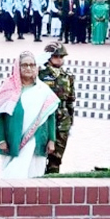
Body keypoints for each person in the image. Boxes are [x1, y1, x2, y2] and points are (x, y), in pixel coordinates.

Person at [0, 51, 59, 179]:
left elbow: (50, 116)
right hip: (13, 141)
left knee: (34, 177)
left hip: (37, 140)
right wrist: (1, 140)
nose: (28, 68)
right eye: (24, 65)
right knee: (13, 176)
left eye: (32, 65)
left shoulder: (42, 90)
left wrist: (52, 140)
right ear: (18, 67)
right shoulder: (8, 89)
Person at [38, 42, 75, 174]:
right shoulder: (40, 74)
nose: (60, 59)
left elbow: (71, 99)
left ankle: (53, 179)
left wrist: (71, 121)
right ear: (49, 57)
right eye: (56, 56)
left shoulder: (68, 76)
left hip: (63, 118)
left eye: (61, 57)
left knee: (57, 156)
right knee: (40, 154)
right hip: (45, 117)